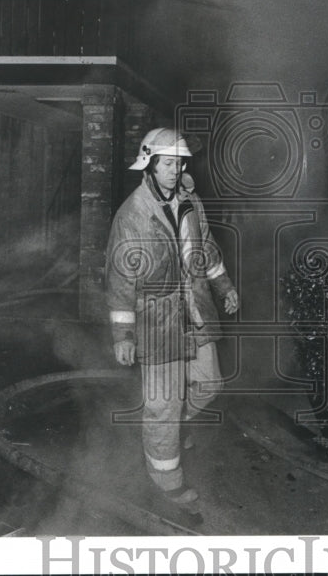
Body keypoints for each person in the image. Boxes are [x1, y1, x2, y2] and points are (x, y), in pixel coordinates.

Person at [104, 127, 239, 506]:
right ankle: (166, 480)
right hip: (156, 320)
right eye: (166, 164)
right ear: (148, 165)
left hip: (194, 310)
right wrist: (123, 336)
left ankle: (171, 427)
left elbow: (206, 249)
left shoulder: (191, 201)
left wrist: (224, 287)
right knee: (163, 403)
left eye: (178, 164)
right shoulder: (132, 215)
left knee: (210, 384)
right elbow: (120, 278)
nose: (174, 171)